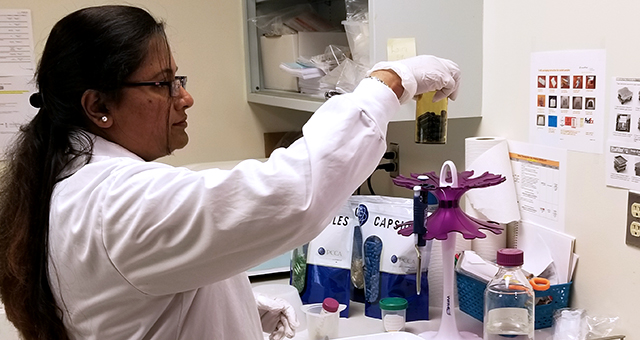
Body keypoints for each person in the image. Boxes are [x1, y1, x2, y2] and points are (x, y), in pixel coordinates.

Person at [0, 5, 460, 340]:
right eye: (164, 83)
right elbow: (294, 191)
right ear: (98, 105)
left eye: (180, 79)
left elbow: (129, 294)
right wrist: (390, 82)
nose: (185, 97)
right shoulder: (119, 202)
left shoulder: (62, 181)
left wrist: (235, 306)